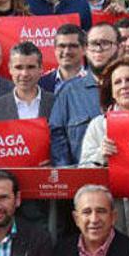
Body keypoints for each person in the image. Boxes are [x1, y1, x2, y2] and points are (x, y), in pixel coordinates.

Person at [79, 59, 129, 238]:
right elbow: (84, 173)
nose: (124, 86)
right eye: (118, 82)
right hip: (117, 213)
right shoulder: (98, 126)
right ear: (112, 91)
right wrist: (101, 156)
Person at [48, 23, 120, 166]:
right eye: (93, 44)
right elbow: (58, 143)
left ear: (119, 47)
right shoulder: (68, 92)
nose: (98, 49)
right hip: (85, 182)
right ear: (86, 49)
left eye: (105, 43)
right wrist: (71, 179)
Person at [0, 41, 55, 121]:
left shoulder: (57, 103)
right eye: (19, 67)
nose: (24, 73)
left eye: (31, 67)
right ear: (10, 68)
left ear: (41, 69)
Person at [38, 24, 88, 93]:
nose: (66, 51)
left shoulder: (97, 84)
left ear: (84, 49)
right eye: (62, 46)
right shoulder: (40, 84)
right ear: (55, 49)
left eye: (73, 46)